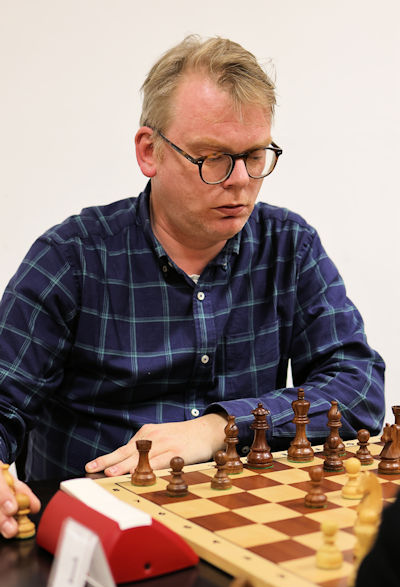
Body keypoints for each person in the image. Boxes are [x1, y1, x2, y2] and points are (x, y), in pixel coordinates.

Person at [0, 35, 385, 538]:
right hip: (97, 534)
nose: (240, 179)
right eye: (213, 157)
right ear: (150, 151)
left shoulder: (289, 245)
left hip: (247, 524)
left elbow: (359, 386)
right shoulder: (72, 258)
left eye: (254, 155)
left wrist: (219, 427)